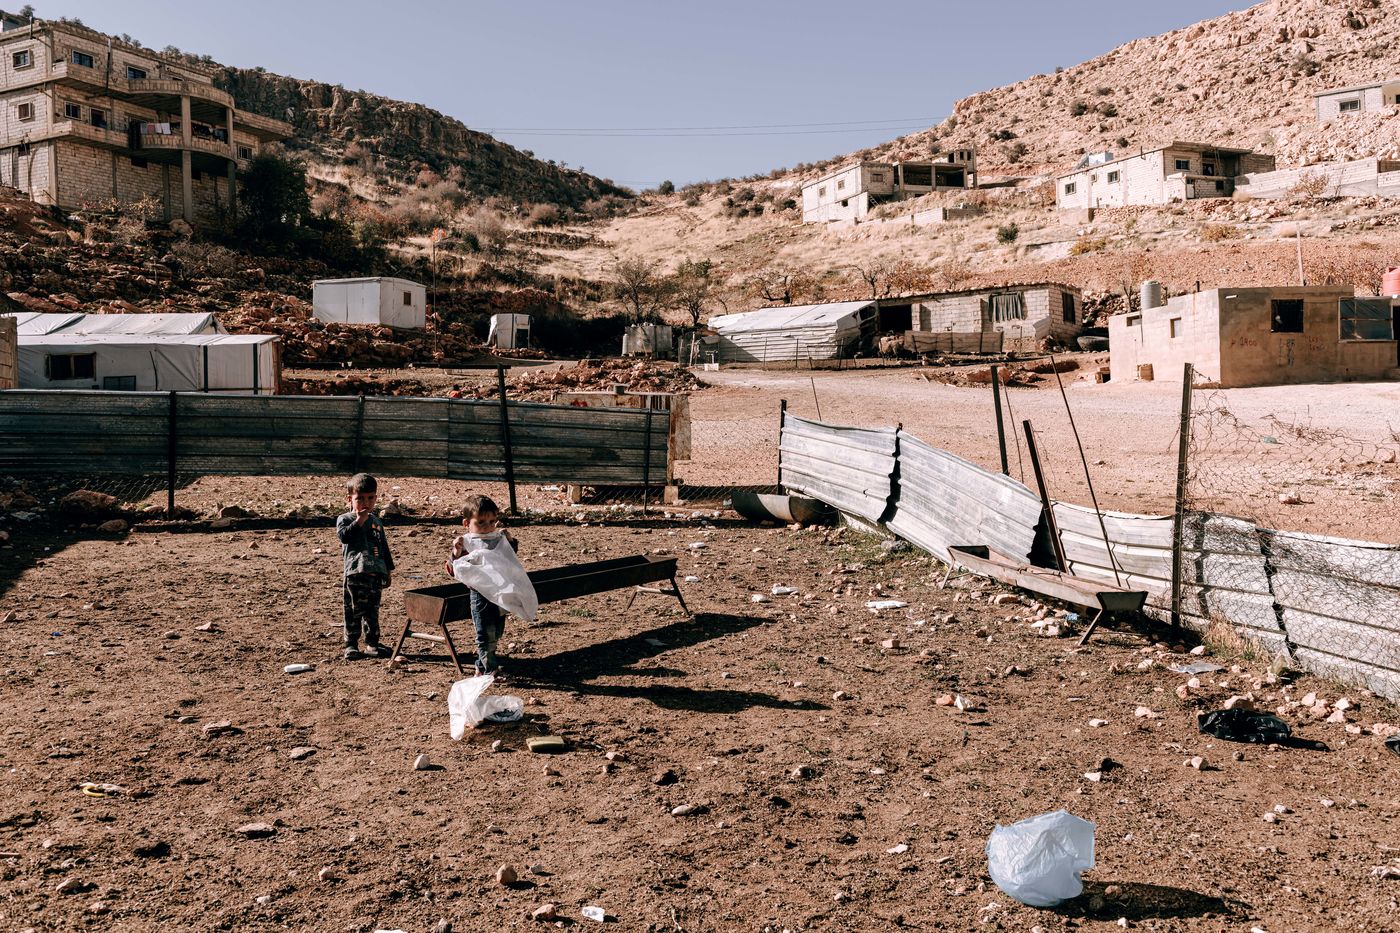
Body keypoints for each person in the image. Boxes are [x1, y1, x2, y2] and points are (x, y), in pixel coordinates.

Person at [443, 494, 519, 676]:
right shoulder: (466, 543)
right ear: (466, 523)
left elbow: (509, 557)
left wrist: (509, 541)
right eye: (481, 522)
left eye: (492, 522)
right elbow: (453, 569)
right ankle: (489, 670)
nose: (487, 527)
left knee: (497, 630)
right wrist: (456, 552)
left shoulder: (495, 539)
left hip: (499, 593)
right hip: (480, 595)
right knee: (485, 634)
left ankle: (480, 665)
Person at [336, 473, 394, 661]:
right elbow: (344, 537)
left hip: (375, 573)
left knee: (372, 610)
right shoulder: (345, 519)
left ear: (375, 498)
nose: (365, 503)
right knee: (353, 610)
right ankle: (351, 645)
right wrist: (359, 520)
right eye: (360, 498)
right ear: (350, 499)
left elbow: (383, 547)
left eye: (370, 498)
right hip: (355, 572)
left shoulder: (376, 522)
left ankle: (372, 643)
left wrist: (388, 570)